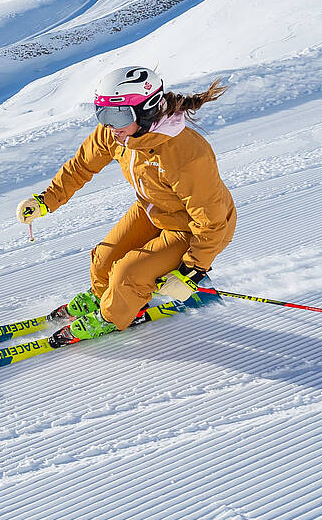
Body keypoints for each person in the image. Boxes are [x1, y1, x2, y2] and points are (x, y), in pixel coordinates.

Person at [16, 65, 236, 339]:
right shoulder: (116, 135)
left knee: (128, 273)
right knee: (103, 260)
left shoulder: (186, 153)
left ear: (147, 110)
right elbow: (81, 166)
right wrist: (46, 201)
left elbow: (211, 220)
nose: (108, 126)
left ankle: (112, 316)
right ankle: (105, 298)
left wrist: (192, 270)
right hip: (152, 209)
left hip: (194, 229)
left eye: (116, 116)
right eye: (102, 113)